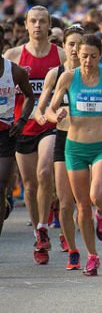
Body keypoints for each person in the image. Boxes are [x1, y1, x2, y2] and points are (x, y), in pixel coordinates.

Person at [48, 33, 102, 276]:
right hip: (74, 148)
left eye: (93, 57)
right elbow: (52, 109)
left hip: (101, 147)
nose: (87, 61)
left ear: (100, 55)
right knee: (82, 205)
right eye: (83, 56)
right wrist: (58, 116)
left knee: (97, 194)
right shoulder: (68, 77)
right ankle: (92, 256)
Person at [3, 6, 65, 265]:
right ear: (26, 25)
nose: (38, 25)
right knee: (29, 185)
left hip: (50, 124)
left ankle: (44, 224)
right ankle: (38, 233)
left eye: (42, 21)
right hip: (22, 127)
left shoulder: (60, 55)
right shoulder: (13, 55)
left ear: (49, 25)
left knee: (44, 172)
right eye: (33, 21)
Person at [34, 26, 83, 267]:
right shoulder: (56, 74)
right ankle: (71, 246)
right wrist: (53, 117)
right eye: (71, 44)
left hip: (90, 140)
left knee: (87, 197)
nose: (75, 50)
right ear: (65, 47)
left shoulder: (96, 74)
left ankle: (100, 213)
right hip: (63, 137)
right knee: (65, 200)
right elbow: (43, 109)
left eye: (79, 45)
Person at [0, 36, 35, 238]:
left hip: (6, 133)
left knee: (1, 184)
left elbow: (30, 96)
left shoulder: (14, 71)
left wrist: (21, 120)